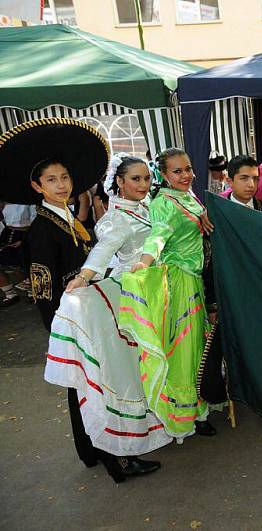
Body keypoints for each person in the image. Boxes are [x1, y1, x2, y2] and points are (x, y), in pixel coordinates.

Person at [0, 118, 162, 482]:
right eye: (52, 180)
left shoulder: (70, 219)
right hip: (75, 321)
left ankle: (90, 450)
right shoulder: (42, 230)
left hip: (92, 314)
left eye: (65, 177)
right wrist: (62, 330)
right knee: (92, 384)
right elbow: (44, 290)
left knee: (86, 385)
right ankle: (113, 460)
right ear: (36, 186)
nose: (61, 185)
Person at [46, 155, 170, 482]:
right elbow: (104, 250)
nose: (143, 185)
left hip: (154, 296)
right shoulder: (117, 219)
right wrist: (85, 277)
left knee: (147, 367)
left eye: (146, 179)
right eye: (135, 180)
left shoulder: (145, 208)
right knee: (122, 373)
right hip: (129, 300)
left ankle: (158, 423)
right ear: (120, 182)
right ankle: (121, 451)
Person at [121, 148, 217, 440]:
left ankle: (201, 403)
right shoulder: (163, 202)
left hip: (197, 279)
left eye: (188, 169)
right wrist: (145, 262)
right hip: (181, 282)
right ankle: (191, 415)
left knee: (199, 346)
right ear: (164, 175)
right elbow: (158, 235)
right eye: (177, 171)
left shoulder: (188, 196)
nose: (186, 175)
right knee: (185, 351)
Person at [0, 202, 36, 304]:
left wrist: (24, 240)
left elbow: (34, 222)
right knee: (8, 263)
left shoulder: (29, 202)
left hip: (23, 234)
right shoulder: (6, 202)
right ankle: (10, 293)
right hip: (7, 233)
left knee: (19, 265)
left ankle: (32, 291)